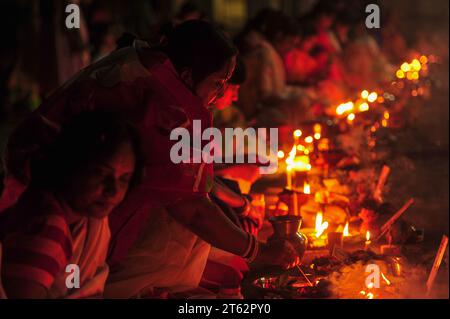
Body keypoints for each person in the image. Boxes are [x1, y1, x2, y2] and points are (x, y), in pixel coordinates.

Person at [1, 20, 299, 298]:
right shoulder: (163, 101)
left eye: (123, 180)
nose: (221, 93)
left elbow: (192, 189)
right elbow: (191, 208)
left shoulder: (141, 64)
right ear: (186, 75)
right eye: (218, 82)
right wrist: (259, 251)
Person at [0, 111, 140, 298]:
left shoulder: (87, 221)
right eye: (100, 173)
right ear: (71, 163)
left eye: (124, 179)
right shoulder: (48, 226)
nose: (113, 191)